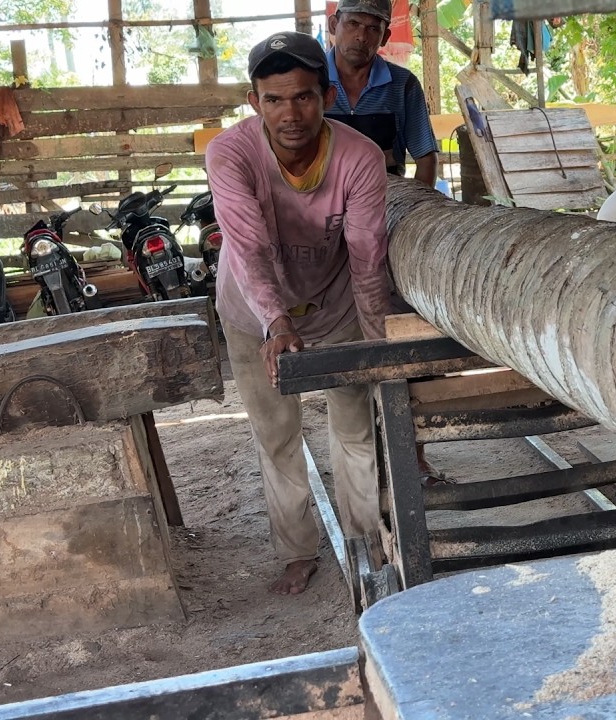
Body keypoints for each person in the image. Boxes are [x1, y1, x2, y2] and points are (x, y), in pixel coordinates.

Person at [205, 31, 391, 596]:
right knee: (278, 435)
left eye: (304, 97)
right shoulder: (230, 153)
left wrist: (379, 345)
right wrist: (275, 322)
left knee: (356, 428)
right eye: (275, 99)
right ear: (253, 101)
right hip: (251, 314)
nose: (291, 113)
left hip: (334, 307)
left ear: (327, 96)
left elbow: (366, 256)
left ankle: (368, 542)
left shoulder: (360, 158)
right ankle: (298, 552)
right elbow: (247, 245)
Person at [325, 0, 439, 186]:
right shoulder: (310, 79)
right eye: (352, 24)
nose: (361, 36)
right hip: (321, 202)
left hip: (386, 203)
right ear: (333, 25)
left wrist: (415, 209)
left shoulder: (403, 85)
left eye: (372, 29)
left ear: (384, 37)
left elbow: (426, 158)